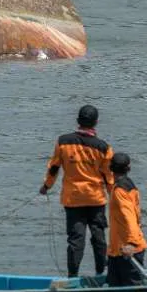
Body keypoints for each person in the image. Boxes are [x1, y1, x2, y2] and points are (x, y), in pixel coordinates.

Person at [39, 104, 114, 278]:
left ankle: (72, 276)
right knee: (99, 237)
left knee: (75, 239)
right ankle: (100, 273)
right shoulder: (103, 147)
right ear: (96, 123)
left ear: (78, 121)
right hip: (96, 199)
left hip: (73, 200)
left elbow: (54, 168)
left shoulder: (63, 141)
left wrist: (46, 186)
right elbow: (108, 176)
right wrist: (115, 196)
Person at [106, 152, 147, 287]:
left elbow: (129, 217)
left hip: (127, 251)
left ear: (111, 168)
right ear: (128, 169)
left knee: (131, 290)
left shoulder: (120, 191)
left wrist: (131, 243)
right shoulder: (129, 186)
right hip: (117, 250)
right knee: (115, 289)